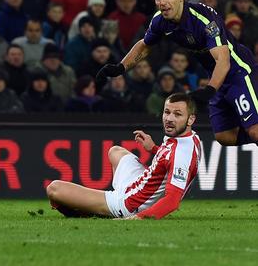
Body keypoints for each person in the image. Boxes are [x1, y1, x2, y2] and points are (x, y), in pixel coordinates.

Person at [97, 0, 258, 146]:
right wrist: (120, 68)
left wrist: (209, 90)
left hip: (238, 73)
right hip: (217, 80)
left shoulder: (204, 20)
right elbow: (145, 45)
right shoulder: (159, 21)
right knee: (224, 137)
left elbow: (223, 61)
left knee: (255, 131)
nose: (163, 2)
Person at [47, 93, 201, 220]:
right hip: (138, 182)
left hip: (131, 203)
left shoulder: (181, 154)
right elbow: (171, 160)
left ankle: (98, 210)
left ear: (191, 119)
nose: (169, 119)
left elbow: (172, 201)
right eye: (167, 112)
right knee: (115, 152)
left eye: (177, 114)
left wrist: (138, 218)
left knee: (54, 189)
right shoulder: (190, 137)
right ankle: (99, 202)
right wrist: (154, 148)